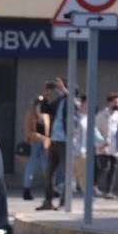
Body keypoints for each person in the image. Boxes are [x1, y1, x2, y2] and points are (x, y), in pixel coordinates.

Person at [39, 79, 69, 210]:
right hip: (54, 140)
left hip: (65, 141)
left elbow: (77, 104)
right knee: (49, 172)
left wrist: (65, 91)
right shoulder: (58, 101)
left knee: (67, 173)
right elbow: (45, 109)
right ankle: (48, 201)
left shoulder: (70, 101)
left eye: (60, 86)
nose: (58, 89)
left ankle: (64, 201)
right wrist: (45, 96)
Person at [20, 88, 50, 202]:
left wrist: (46, 140)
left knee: (46, 167)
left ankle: (49, 189)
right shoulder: (30, 115)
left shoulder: (46, 116)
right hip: (34, 144)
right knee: (30, 168)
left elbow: (48, 131)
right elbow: (28, 132)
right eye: (38, 103)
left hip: (44, 145)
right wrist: (40, 137)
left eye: (41, 103)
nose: (40, 105)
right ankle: (26, 190)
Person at [97, 93, 118, 198]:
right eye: (116, 102)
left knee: (112, 171)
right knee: (104, 167)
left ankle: (109, 192)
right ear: (110, 102)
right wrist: (100, 144)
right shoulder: (101, 115)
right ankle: (94, 186)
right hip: (103, 147)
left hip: (115, 148)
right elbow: (96, 130)